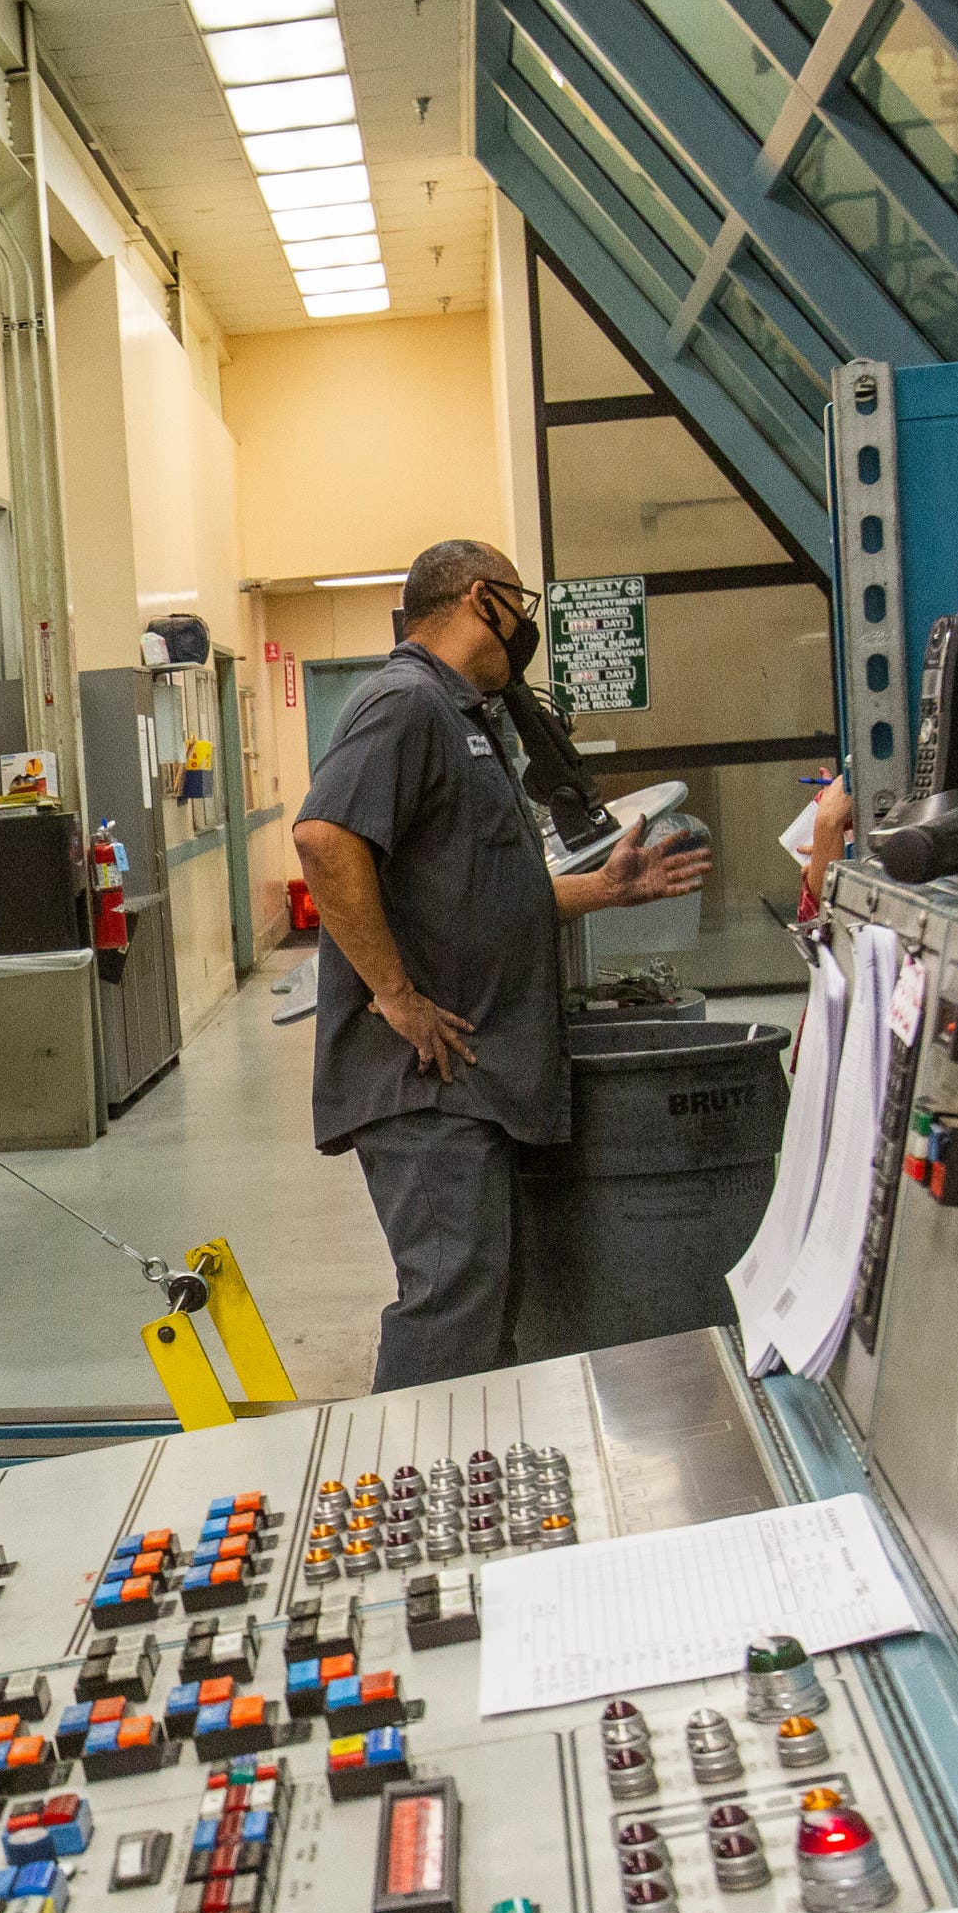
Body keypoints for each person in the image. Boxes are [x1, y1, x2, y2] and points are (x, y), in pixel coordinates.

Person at [291, 539, 714, 1389]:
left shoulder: (463, 718)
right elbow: (324, 840)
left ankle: (468, 1491)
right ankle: (407, 1503)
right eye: (519, 605)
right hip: (429, 1082)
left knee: (485, 1311)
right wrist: (396, 996)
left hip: (474, 1084)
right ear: (482, 599)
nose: (526, 629)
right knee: (451, 1309)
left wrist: (605, 889)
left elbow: (480, 892)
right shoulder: (405, 704)